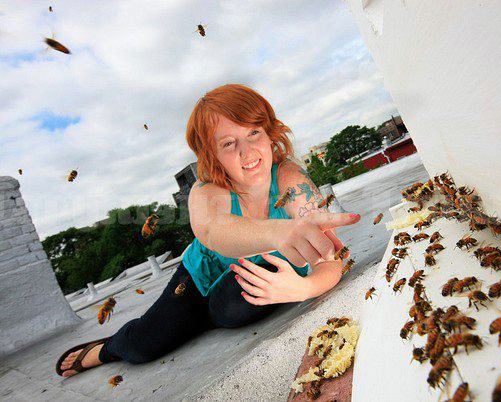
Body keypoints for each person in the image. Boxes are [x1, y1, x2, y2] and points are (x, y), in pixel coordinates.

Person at [56, 83, 360, 377]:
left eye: (254, 133)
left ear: (270, 134)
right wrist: (281, 232)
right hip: (196, 284)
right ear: (212, 155)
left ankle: (216, 315)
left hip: (241, 288)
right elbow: (216, 231)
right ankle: (106, 348)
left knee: (233, 305)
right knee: (143, 347)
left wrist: (305, 288)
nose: (247, 151)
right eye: (229, 143)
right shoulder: (207, 190)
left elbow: (333, 259)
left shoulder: (290, 179)